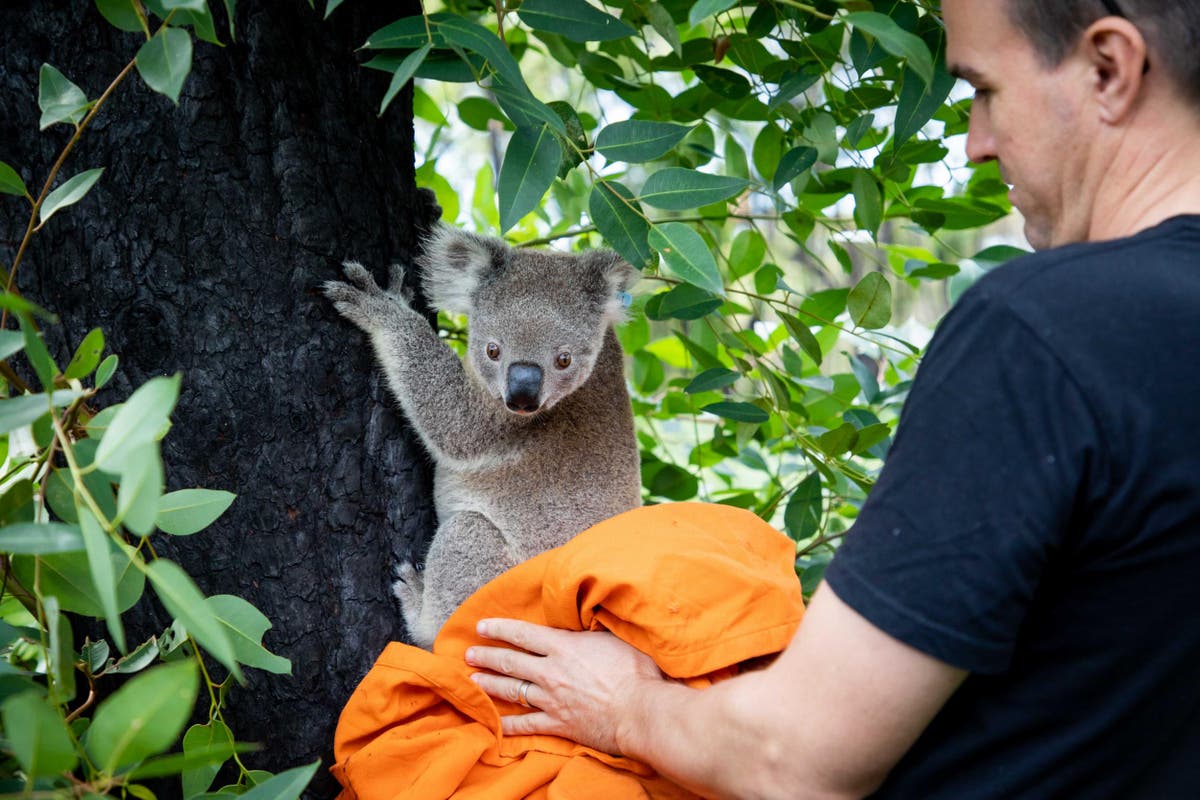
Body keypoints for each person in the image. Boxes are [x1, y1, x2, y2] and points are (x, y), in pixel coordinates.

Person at [464, 0, 1200, 797]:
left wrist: (624, 706)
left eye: (984, 91)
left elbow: (793, 759)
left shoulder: (1046, 333)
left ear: (1109, 69)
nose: (974, 144)